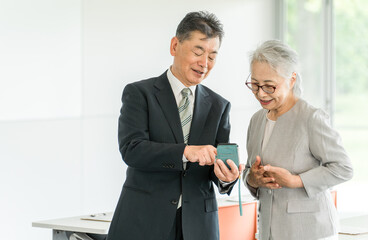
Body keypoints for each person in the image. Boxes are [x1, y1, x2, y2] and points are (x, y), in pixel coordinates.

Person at [107, 11, 243, 240]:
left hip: (198, 226)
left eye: (212, 56)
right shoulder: (140, 93)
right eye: (198, 51)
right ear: (175, 46)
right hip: (144, 221)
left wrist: (227, 176)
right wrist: (186, 152)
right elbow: (132, 149)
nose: (204, 63)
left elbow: (216, 169)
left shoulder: (219, 105)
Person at [242, 40, 353, 240]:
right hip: (268, 230)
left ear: (291, 80)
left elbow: (343, 168)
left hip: (310, 231)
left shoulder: (311, 118)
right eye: (255, 85)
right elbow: (250, 171)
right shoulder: (257, 120)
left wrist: (296, 180)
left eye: (269, 86)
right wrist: (252, 179)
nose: (260, 93)